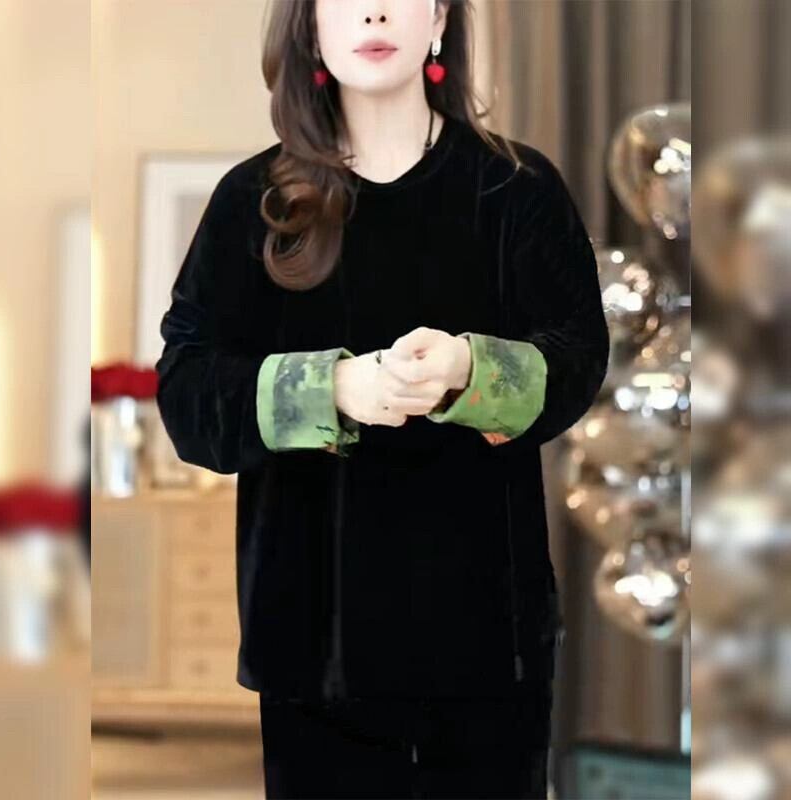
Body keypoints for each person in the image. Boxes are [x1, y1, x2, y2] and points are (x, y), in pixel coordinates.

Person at [155, 0, 609, 797]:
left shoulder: (517, 188)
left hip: (486, 648)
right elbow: (188, 396)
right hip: (313, 650)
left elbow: (579, 360)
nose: (373, 11)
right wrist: (333, 388)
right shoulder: (254, 201)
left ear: (438, 21)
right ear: (310, 28)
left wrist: (469, 370)